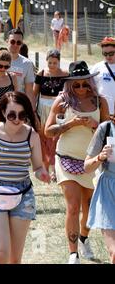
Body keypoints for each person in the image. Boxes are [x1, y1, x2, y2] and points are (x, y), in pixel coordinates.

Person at [0, 91, 51, 264]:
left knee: (14, 258)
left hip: (23, 195)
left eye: (22, 115)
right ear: (3, 113)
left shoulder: (32, 136)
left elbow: (36, 166)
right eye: (12, 114)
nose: (17, 119)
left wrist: (41, 173)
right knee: (1, 253)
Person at [45, 61, 110, 264]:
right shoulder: (62, 102)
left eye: (84, 84)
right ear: (69, 85)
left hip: (92, 161)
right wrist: (70, 123)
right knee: (73, 207)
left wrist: (94, 125)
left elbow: (108, 132)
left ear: (90, 83)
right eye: (76, 85)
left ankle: (83, 238)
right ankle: (73, 254)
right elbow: (47, 131)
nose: (81, 89)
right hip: (66, 158)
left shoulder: (100, 102)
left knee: (89, 208)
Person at [33, 49, 69, 181]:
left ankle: (55, 169)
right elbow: (34, 94)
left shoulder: (65, 75)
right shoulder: (41, 74)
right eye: (49, 63)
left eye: (55, 63)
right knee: (43, 139)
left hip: (59, 108)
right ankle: (45, 168)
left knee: (56, 138)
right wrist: (33, 111)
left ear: (59, 62)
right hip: (43, 108)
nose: (52, 65)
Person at [84, 117, 115, 264]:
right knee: (114, 253)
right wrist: (100, 157)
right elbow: (87, 166)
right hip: (108, 191)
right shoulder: (106, 128)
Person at [0, 29, 36, 106]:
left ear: (22, 44)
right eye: (12, 42)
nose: (15, 45)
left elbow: (29, 91)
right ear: (7, 41)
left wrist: (33, 111)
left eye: (18, 42)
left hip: (17, 106)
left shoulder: (27, 64)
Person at [90, 37, 115, 115]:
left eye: (111, 53)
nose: (108, 56)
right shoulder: (97, 67)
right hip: (101, 112)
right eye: (105, 54)